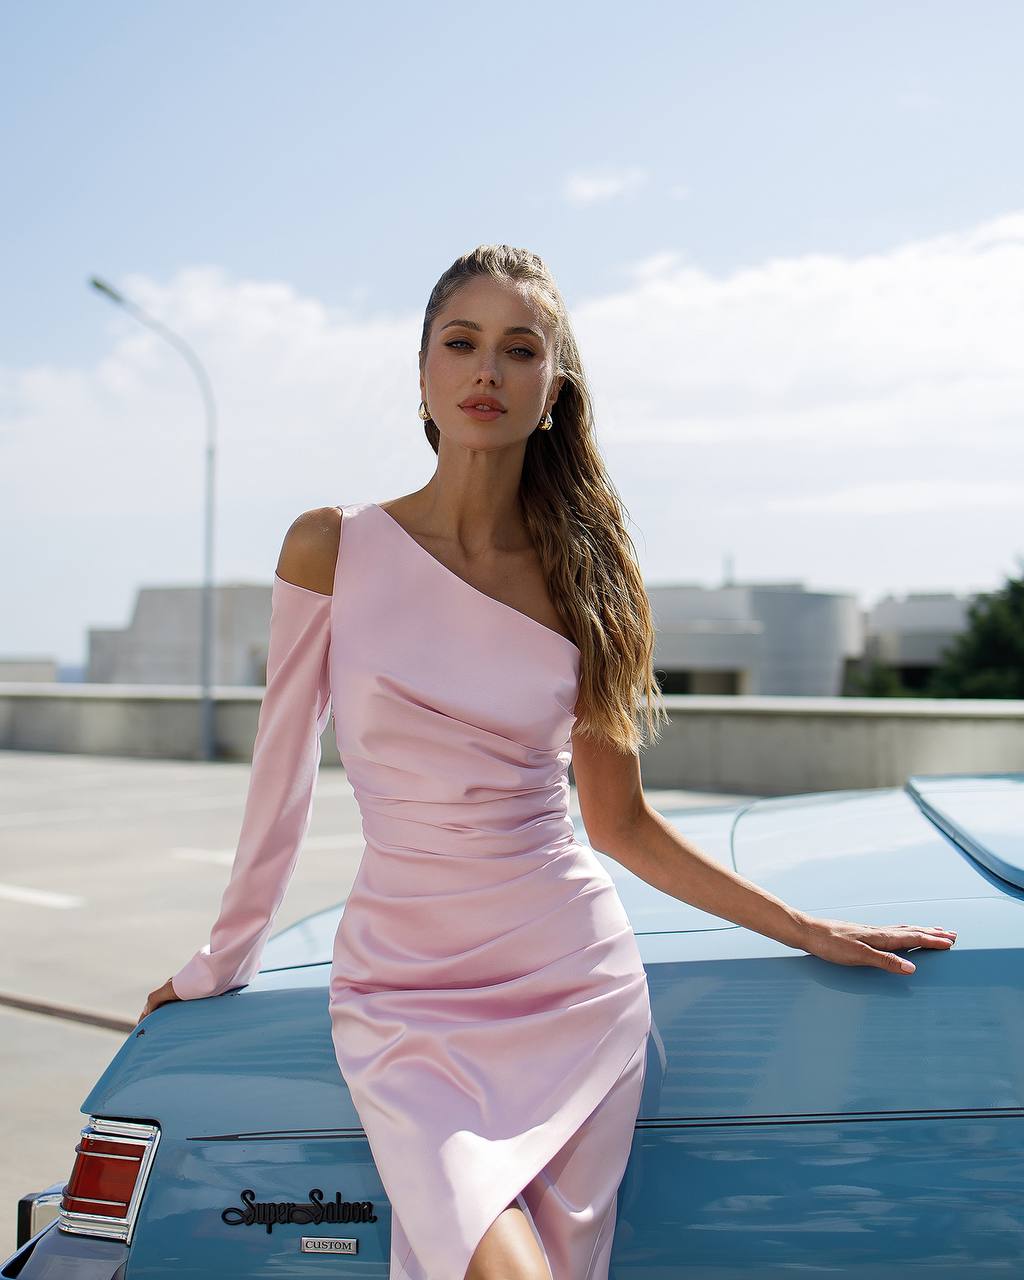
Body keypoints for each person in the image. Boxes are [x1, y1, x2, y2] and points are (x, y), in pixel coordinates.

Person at [138, 244, 958, 1280]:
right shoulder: (329, 547)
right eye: (462, 343)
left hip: (569, 982)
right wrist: (223, 957)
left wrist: (804, 927)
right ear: (424, 373)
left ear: (551, 387)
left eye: (518, 349)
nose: (487, 370)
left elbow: (618, 822)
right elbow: (280, 785)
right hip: (403, 995)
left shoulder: (593, 580)